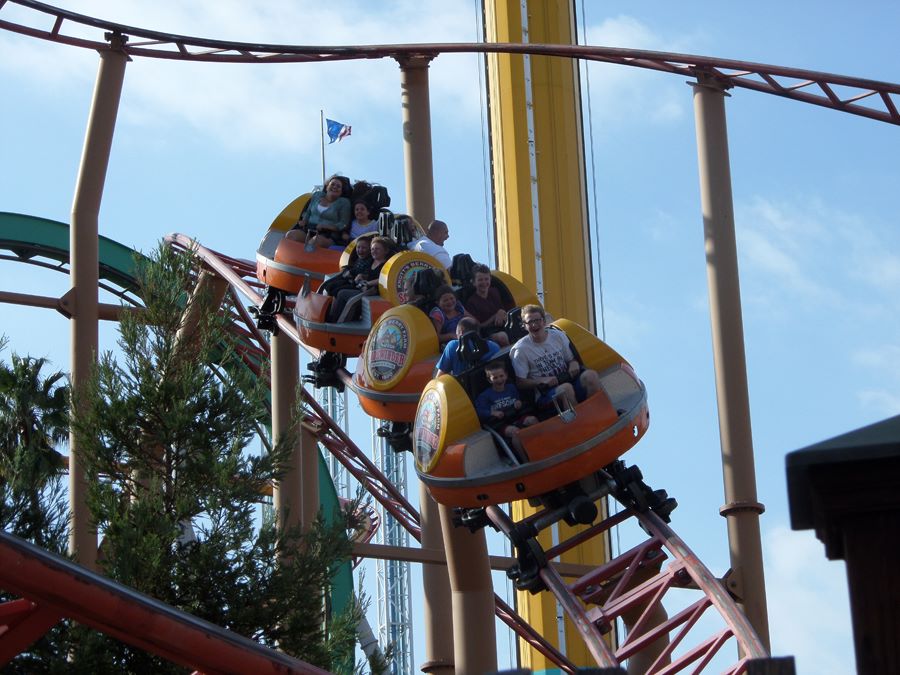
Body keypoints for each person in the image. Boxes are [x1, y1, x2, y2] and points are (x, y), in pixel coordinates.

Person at [510, 304, 601, 411]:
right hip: (547, 393)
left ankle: (597, 411)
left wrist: (573, 364)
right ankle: (581, 422)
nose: (534, 325)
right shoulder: (520, 350)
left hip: (569, 379)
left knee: (591, 375)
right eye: (530, 322)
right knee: (566, 389)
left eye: (537, 320)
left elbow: (571, 360)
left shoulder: (558, 336)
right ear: (524, 326)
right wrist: (540, 381)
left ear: (544, 321)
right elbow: (521, 382)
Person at [474, 361, 538, 458]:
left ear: (506, 375)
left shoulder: (511, 387)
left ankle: (541, 445)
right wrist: (492, 413)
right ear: (489, 380)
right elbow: (479, 412)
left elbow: (517, 398)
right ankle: (524, 458)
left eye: (501, 376)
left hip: (516, 417)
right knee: (515, 432)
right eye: (495, 378)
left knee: (532, 420)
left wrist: (518, 402)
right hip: (502, 424)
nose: (499, 379)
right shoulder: (485, 396)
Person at [328, 236, 391, 322]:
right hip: (363, 287)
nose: (374, 251)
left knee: (342, 293)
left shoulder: (386, 265)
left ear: (386, 251)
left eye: (377, 249)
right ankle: (333, 317)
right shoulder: (373, 261)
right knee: (336, 288)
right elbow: (370, 274)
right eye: (372, 249)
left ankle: (338, 321)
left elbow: (383, 279)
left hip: (372, 291)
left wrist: (368, 283)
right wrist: (362, 276)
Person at [285, 175, 351, 248]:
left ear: (342, 191)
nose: (335, 187)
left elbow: (343, 224)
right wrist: (304, 220)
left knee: (313, 242)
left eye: (338, 186)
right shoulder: (317, 195)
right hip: (308, 229)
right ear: (327, 186)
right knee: (291, 235)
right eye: (332, 184)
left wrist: (326, 226)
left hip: (327, 234)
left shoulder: (344, 203)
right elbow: (308, 212)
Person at [435, 317, 501, 377]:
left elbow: (439, 377)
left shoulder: (452, 346)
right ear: (478, 332)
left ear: (460, 333)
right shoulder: (494, 347)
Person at [464, 263, 512, 346]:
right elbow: (479, 326)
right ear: (474, 282)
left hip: (503, 325)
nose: (484, 282)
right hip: (487, 333)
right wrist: (494, 317)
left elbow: (504, 311)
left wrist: (502, 312)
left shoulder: (494, 292)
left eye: (486, 279)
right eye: (480, 280)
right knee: (502, 337)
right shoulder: (471, 302)